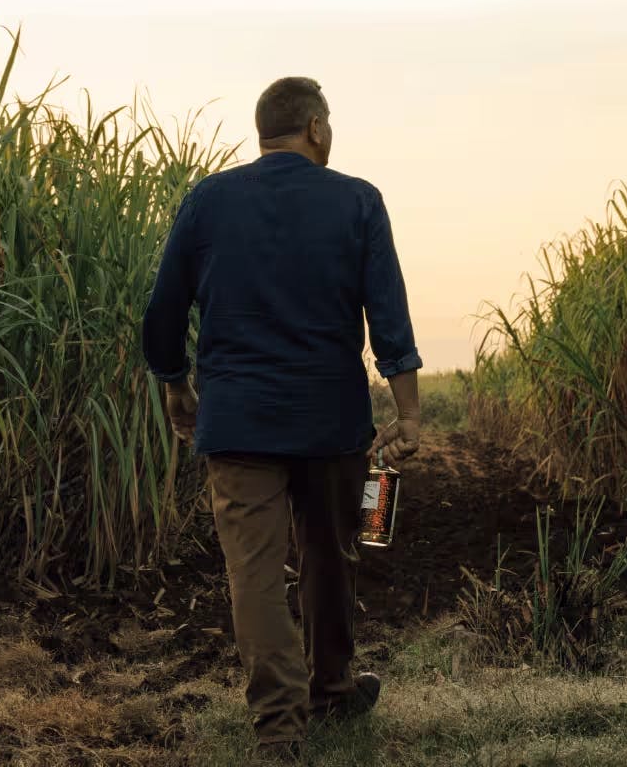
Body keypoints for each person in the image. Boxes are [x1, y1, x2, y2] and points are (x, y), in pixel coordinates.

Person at [142, 76, 423, 760]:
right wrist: (408, 414)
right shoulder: (357, 200)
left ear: (263, 130)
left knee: (256, 576)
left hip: (237, 424)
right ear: (316, 129)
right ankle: (330, 690)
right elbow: (386, 315)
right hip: (330, 421)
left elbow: (163, 310)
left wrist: (176, 387)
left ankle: (278, 733)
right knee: (332, 555)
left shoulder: (207, 201)